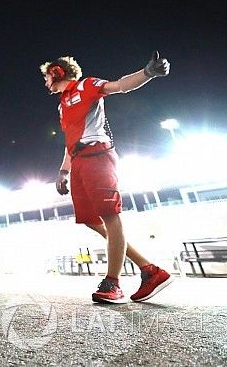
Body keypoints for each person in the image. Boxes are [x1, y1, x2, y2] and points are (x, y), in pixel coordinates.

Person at [40, 52, 174, 303]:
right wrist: (63, 171)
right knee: (92, 220)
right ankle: (149, 269)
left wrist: (148, 73)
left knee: (111, 217)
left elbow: (120, 86)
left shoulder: (87, 85)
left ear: (57, 73)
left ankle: (113, 283)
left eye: (47, 76)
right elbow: (71, 141)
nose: (45, 82)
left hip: (98, 156)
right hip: (79, 161)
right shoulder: (62, 105)